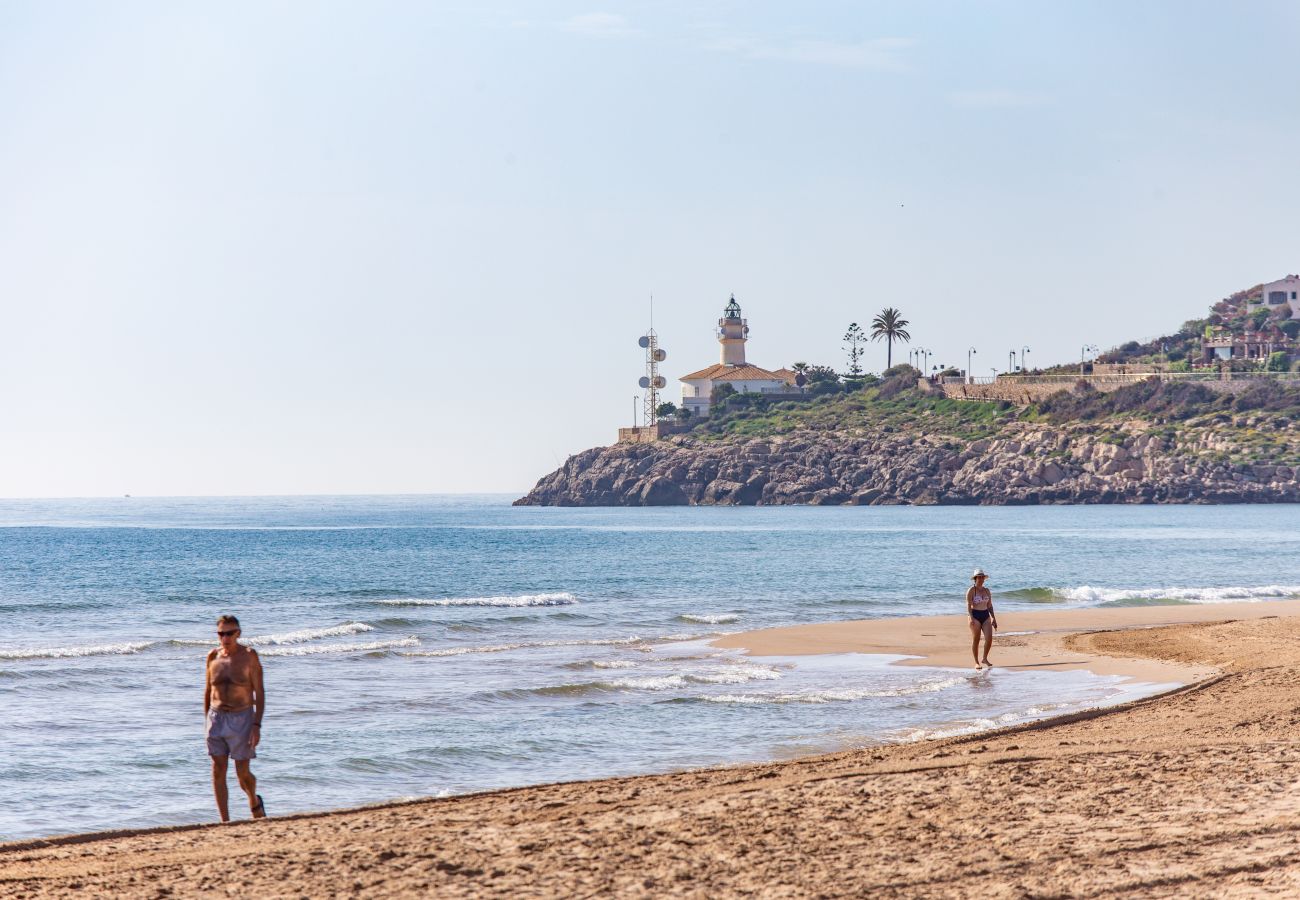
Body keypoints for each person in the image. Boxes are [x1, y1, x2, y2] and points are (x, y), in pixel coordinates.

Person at [204, 614, 266, 821]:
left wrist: (256, 725)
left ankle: (253, 800)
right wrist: (207, 720)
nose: (225, 638)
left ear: (238, 633)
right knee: (218, 769)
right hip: (216, 717)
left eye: (229, 633)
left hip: (242, 718)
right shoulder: (212, 656)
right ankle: (225, 821)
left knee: (242, 773)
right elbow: (208, 690)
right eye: (221, 634)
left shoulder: (249, 656)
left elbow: (260, 691)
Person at [966, 568, 997, 669]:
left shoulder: (987, 590)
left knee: (989, 639)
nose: (981, 579)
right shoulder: (971, 590)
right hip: (975, 615)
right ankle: (976, 662)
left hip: (985, 615)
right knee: (977, 639)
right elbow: (968, 605)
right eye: (979, 577)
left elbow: (990, 605)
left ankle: (985, 658)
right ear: (975, 578)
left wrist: (993, 618)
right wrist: (971, 618)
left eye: (982, 577)